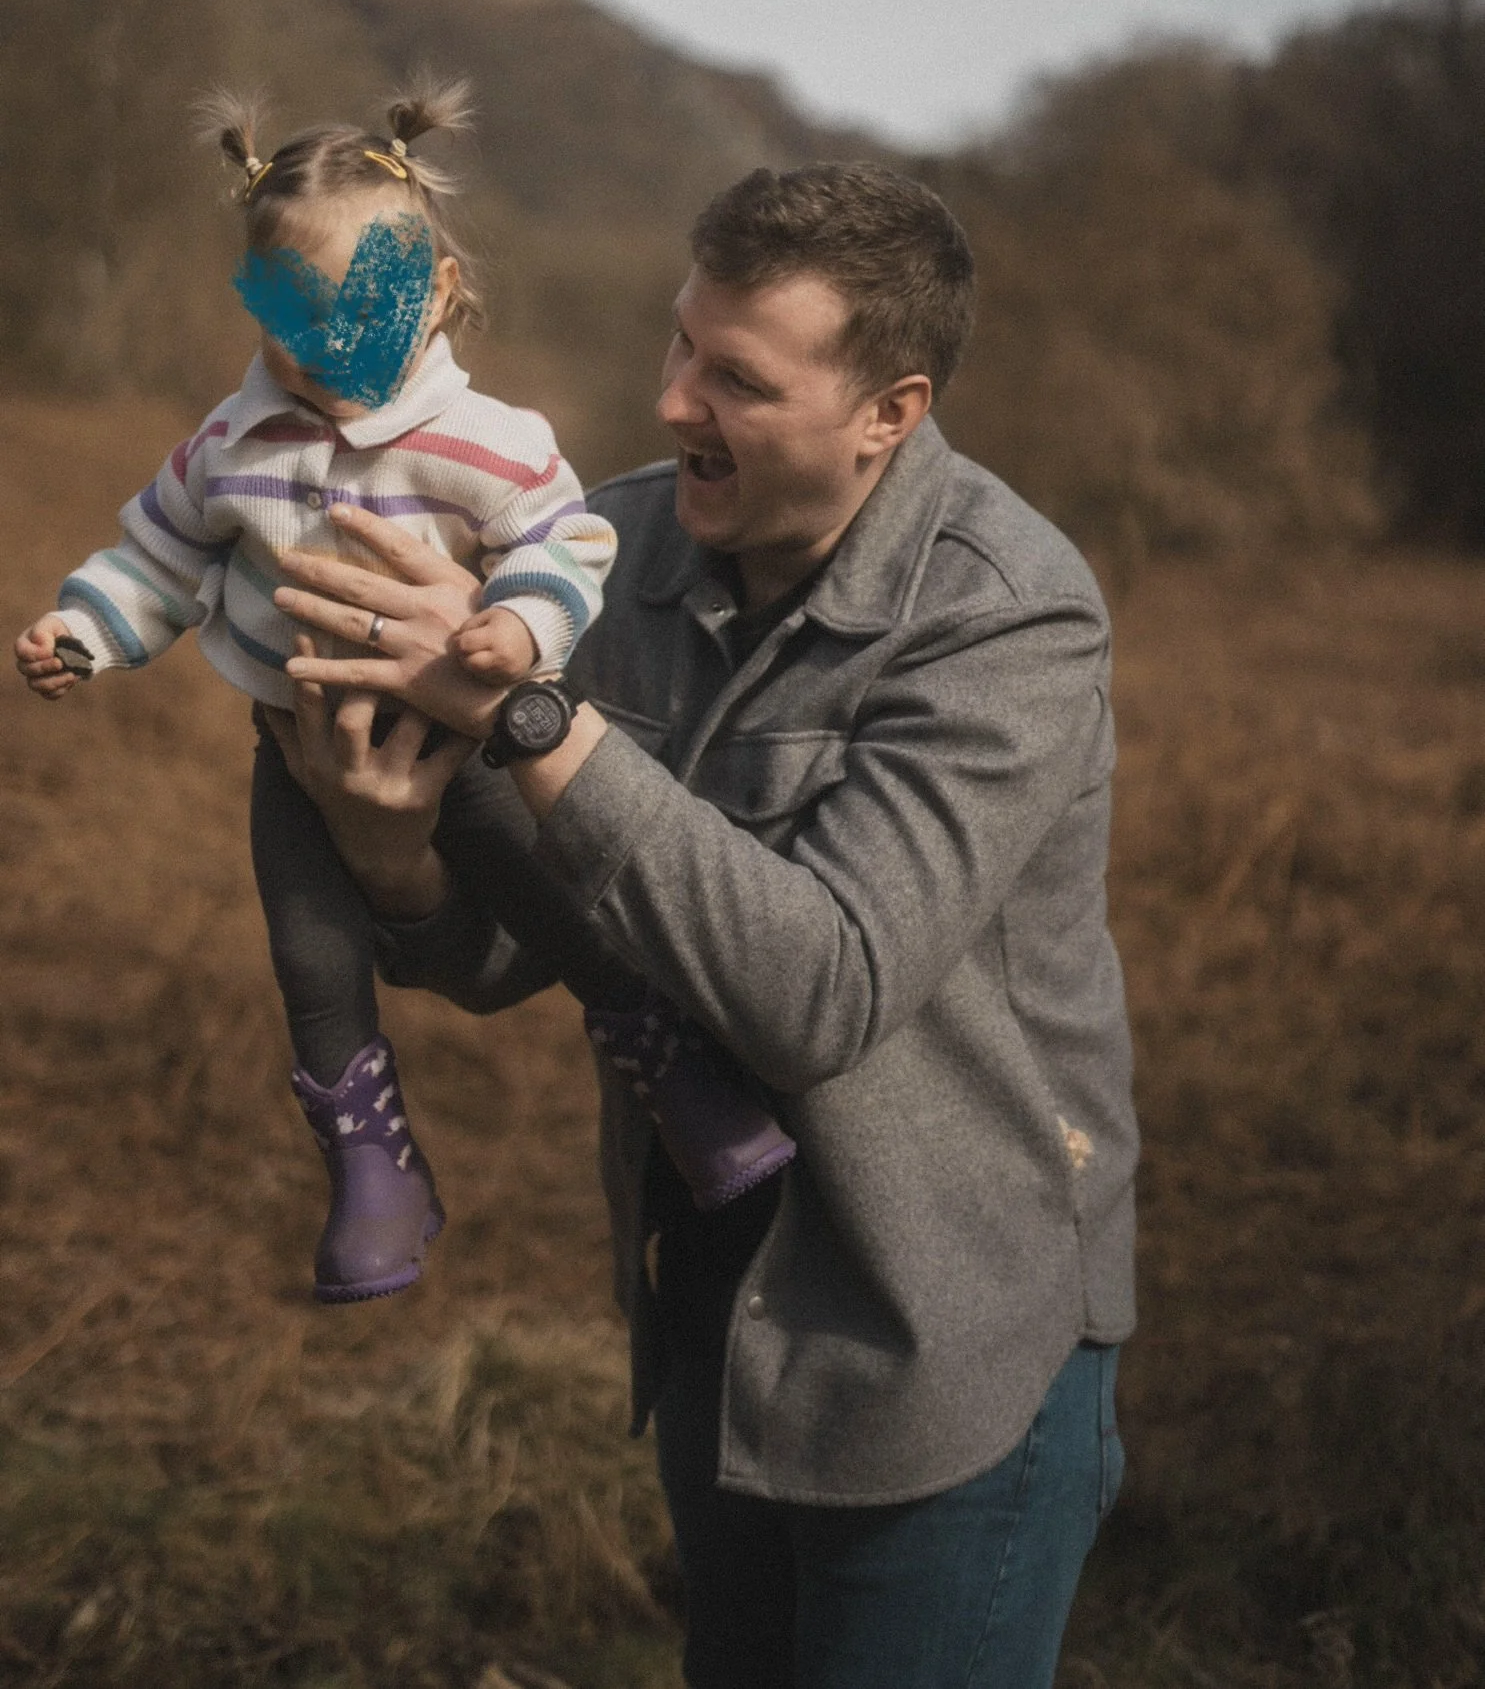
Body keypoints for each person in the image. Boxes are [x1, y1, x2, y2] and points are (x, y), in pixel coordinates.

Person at [265, 161, 1139, 1688]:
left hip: (939, 1341)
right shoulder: (604, 553)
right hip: (708, 1312)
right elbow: (519, 951)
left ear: (891, 407)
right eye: (681, 345)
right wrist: (386, 842)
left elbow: (818, 986)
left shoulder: (1009, 614)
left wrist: (528, 716)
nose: (674, 403)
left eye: (739, 377)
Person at [12, 86, 794, 1307]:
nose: (319, 352)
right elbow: (158, 561)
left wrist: (515, 627)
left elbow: (568, 544)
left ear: (429, 295)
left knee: (565, 907)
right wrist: (85, 630)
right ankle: (373, 1171)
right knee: (312, 959)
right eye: (288, 322)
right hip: (295, 748)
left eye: (355, 316)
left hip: (463, 736)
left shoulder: (487, 437)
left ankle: (675, 1068)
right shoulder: (227, 446)